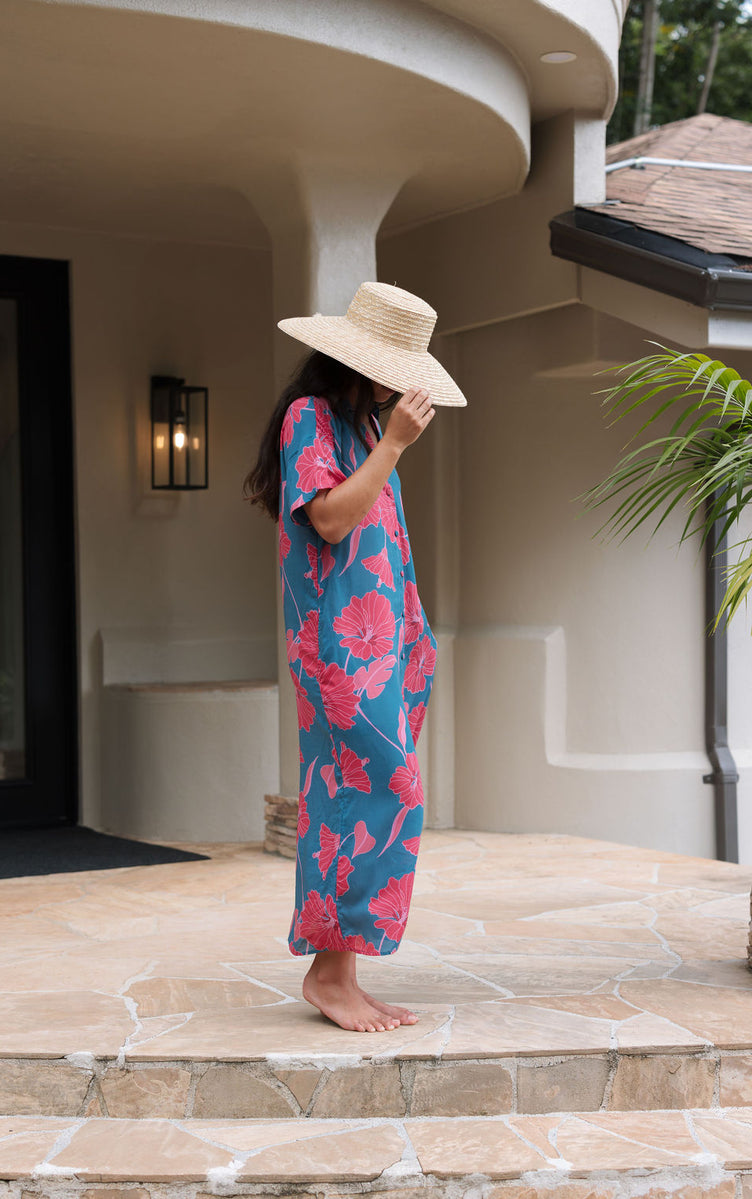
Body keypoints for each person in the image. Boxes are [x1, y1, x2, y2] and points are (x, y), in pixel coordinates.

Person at [243, 281, 466, 1033]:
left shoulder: (365, 430)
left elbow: (384, 547)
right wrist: (399, 442)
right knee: (381, 793)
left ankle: (340, 971)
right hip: (338, 648)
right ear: (358, 361)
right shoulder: (311, 420)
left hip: (380, 647)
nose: (406, 386)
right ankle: (327, 974)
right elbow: (334, 521)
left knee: (366, 800)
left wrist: (413, 636)